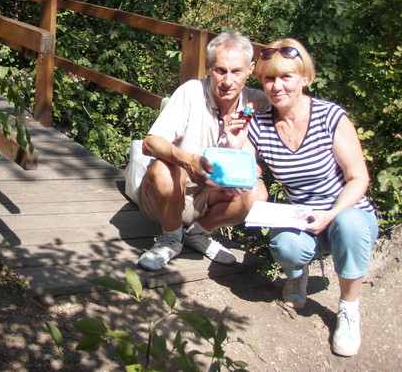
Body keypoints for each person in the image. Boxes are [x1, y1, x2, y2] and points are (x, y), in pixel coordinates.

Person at [238, 38, 378, 357]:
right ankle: (297, 276)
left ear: (305, 78)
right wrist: (235, 141)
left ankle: (348, 309)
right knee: (285, 245)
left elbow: (359, 178)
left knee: (350, 224)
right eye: (269, 78)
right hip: (302, 216)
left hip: (346, 212)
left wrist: (331, 214)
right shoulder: (259, 124)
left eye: (286, 77)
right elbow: (245, 171)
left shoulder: (330, 117)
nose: (277, 86)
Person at [135, 31, 270, 272]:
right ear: (208, 67)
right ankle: (170, 237)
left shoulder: (259, 103)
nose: (227, 81)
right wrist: (188, 161)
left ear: (250, 70)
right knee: (163, 168)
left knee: (257, 193)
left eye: (236, 71)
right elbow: (150, 143)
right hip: (167, 197)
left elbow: (269, 155)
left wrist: (247, 173)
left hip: (213, 199)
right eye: (220, 70)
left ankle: (199, 233)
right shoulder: (191, 92)